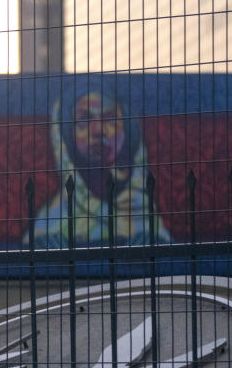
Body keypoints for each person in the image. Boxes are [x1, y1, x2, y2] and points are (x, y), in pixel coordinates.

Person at [30, 83, 171, 249]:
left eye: (110, 119)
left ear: (128, 129)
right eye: (84, 120)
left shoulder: (143, 209)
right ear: (67, 135)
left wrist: (153, 241)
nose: (98, 130)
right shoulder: (52, 217)